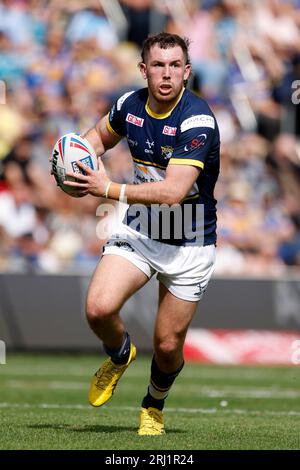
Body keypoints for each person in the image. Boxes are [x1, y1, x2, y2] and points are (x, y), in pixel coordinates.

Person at [63, 32, 220, 435]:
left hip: (190, 241)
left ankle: (153, 403)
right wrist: (72, 158)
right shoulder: (128, 104)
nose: (165, 74)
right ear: (144, 70)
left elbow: (172, 193)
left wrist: (107, 189)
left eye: (174, 66)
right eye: (157, 65)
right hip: (141, 232)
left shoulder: (197, 119)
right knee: (98, 308)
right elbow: (97, 139)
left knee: (168, 347)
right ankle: (119, 353)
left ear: (186, 72)